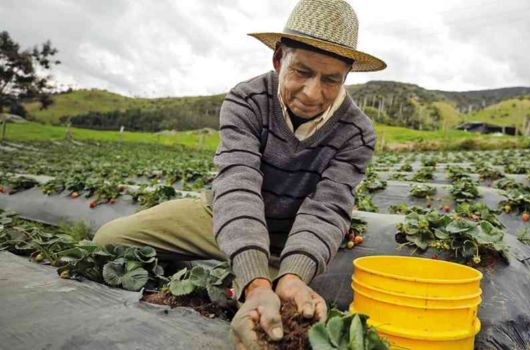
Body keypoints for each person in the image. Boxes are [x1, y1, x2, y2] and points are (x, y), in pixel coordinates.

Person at [92, 0, 385, 348]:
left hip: (291, 237)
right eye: (302, 72)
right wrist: (256, 283)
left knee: (305, 301)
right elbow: (238, 184)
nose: (312, 92)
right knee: (109, 239)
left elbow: (326, 208)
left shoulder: (357, 131)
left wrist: (293, 276)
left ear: (346, 77)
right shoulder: (247, 100)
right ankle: (250, 271)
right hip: (220, 218)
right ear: (279, 59)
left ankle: (275, 277)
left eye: (331, 80)